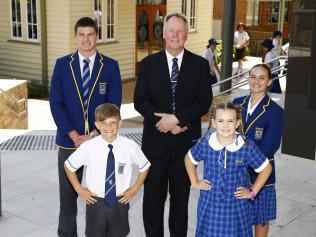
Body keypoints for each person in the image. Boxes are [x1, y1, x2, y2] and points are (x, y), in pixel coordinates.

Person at [134, 12, 213, 237]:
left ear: (186, 35)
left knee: (181, 199)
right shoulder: (148, 64)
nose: (176, 35)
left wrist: (177, 119)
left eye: (180, 31)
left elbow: (204, 101)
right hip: (155, 144)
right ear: (164, 34)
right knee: (152, 200)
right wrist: (164, 122)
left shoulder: (199, 65)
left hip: (185, 146)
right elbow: (140, 101)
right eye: (171, 30)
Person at [49, 17, 122, 237]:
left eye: (90, 34)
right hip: (69, 143)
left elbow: (113, 105)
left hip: (100, 142)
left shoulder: (110, 66)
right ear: (75, 36)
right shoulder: (63, 65)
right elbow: (56, 103)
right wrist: (73, 134)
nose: (86, 39)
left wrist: (92, 135)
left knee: (98, 197)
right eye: (81, 34)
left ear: (97, 36)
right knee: (68, 199)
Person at [185, 102, 272, 237]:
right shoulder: (205, 143)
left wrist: (252, 192)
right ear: (213, 123)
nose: (225, 126)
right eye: (221, 121)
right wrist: (194, 181)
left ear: (237, 123)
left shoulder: (245, 146)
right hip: (210, 205)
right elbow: (189, 159)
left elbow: (266, 168)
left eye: (230, 121)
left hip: (237, 207)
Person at [64, 103, 150, 237]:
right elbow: (69, 166)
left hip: (120, 201)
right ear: (97, 125)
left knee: (119, 233)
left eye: (112, 122)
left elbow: (145, 166)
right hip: (95, 201)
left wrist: (134, 189)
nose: (108, 127)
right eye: (103, 123)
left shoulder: (129, 146)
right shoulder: (89, 146)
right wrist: (79, 189)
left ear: (119, 123)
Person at [233, 64, 284, 237]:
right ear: (248, 79)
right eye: (253, 76)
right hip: (234, 173)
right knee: (237, 217)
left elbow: (269, 147)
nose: (256, 81)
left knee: (261, 218)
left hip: (260, 172)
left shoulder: (276, 112)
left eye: (262, 78)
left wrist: (240, 160)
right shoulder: (237, 103)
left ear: (269, 81)